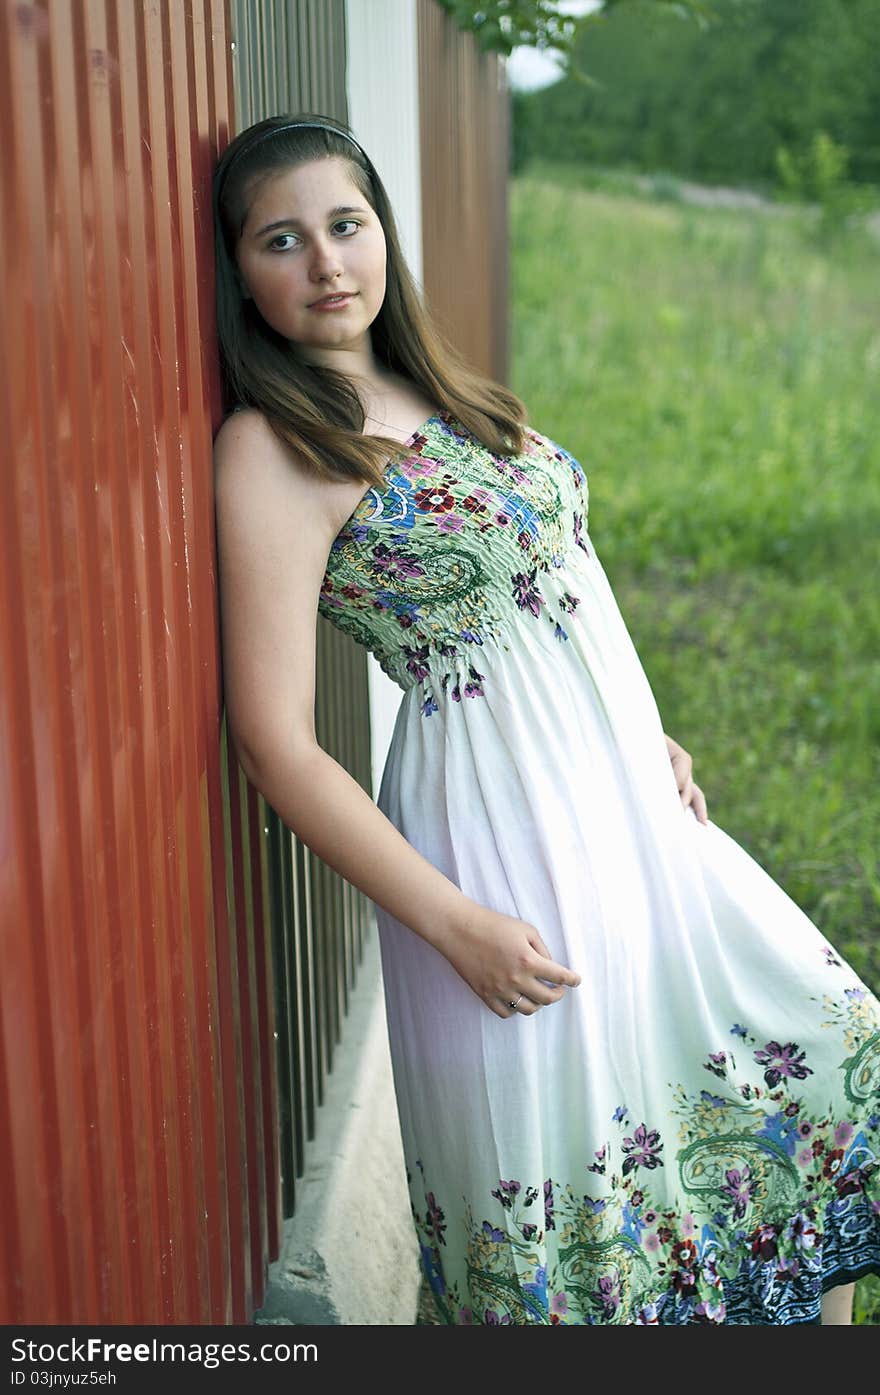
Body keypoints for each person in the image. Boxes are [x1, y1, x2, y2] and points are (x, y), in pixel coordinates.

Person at [211, 112, 880, 1326]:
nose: (326, 265)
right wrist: (453, 923)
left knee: (816, 1057)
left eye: (346, 225)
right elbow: (275, 744)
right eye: (282, 240)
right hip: (501, 850)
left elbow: (566, 580)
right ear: (238, 270)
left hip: (631, 814)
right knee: (579, 1193)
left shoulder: (442, 388)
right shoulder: (273, 451)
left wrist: (642, 724)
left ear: (382, 232)